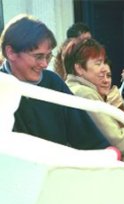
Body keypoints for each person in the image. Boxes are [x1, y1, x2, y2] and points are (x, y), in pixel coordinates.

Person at [0, 14, 109, 150]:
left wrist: (107, 154)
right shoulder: (2, 89)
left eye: (48, 56)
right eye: (38, 56)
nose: (45, 64)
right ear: (11, 52)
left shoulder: (53, 82)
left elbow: (86, 135)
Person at [64, 38, 124, 162]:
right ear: (79, 69)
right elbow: (117, 139)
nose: (104, 68)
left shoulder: (74, 89)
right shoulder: (85, 93)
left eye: (104, 62)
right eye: (98, 63)